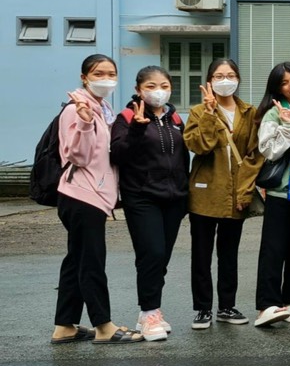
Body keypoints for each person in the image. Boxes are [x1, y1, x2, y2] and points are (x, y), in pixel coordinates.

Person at [52, 55, 145, 345]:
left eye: (111, 73)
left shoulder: (103, 109)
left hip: (90, 195)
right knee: (91, 261)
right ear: (84, 77)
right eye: (98, 73)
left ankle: (64, 326)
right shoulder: (76, 110)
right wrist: (82, 123)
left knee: (76, 260)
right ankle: (103, 326)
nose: (106, 78)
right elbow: (76, 156)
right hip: (81, 195)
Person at [109, 66, 190, 341]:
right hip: (141, 196)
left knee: (161, 258)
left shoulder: (175, 118)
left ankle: (151, 310)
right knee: (151, 254)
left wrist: (185, 192)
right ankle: (149, 312)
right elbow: (118, 154)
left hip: (174, 198)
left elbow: (182, 158)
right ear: (138, 89)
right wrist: (135, 130)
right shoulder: (127, 116)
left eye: (164, 85)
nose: (159, 90)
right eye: (152, 85)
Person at [184, 58, 263, 329]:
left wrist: (246, 191)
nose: (225, 80)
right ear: (209, 81)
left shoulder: (249, 112)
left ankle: (226, 306)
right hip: (205, 193)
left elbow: (253, 155)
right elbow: (198, 146)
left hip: (237, 194)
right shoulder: (197, 111)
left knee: (229, 254)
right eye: (219, 76)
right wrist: (208, 114)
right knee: (201, 255)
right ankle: (203, 308)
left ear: (238, 78)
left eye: (230, 75)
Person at [252, 62, 290, 327]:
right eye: (285, 82)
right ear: (277, 88)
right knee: (274, 250)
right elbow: (269, 151)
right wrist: (286, 126)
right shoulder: (274, 113)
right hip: (280, 192)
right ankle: (267, 304)